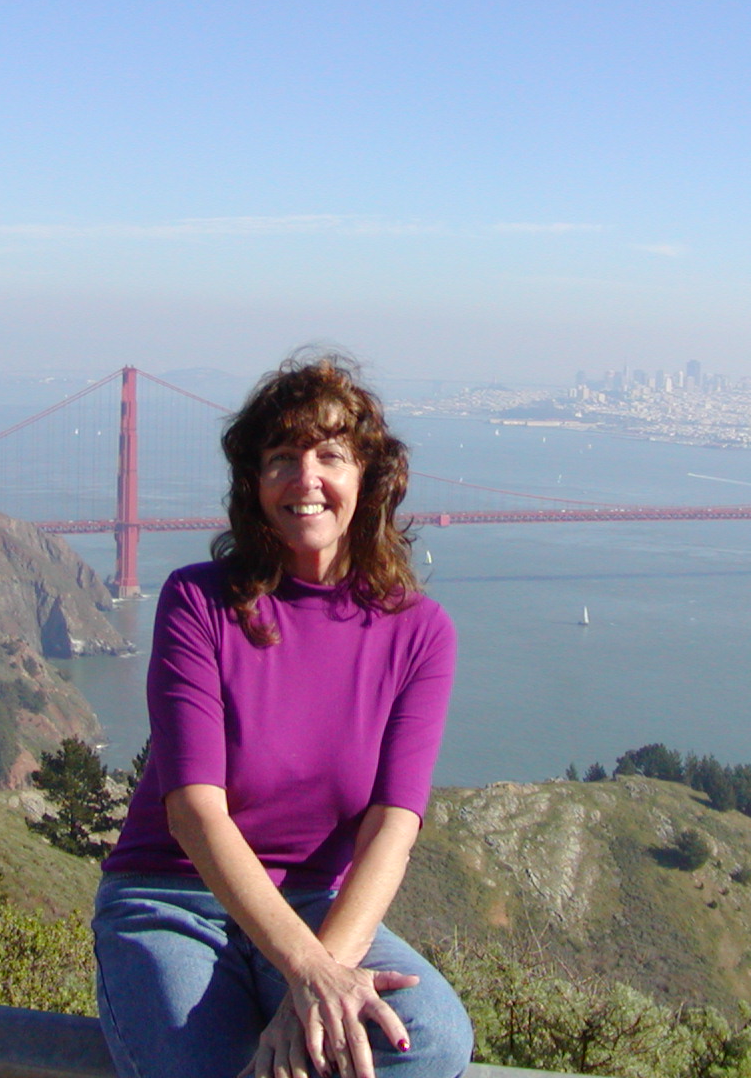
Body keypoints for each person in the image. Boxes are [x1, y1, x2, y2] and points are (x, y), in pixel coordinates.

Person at [93, 354, 473, 1078]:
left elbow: (393, 827)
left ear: (368, 477)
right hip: (175, 898)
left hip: (319, 909)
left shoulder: (420, 633)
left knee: (431, 1041)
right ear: (254, 484)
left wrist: (315, 983)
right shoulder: (198, 602)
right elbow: (193, 813)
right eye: (281, 459)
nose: (306, 479)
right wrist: (310, 977)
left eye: (330, 455)